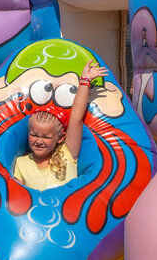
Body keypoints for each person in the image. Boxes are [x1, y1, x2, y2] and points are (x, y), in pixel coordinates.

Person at [11, 61, 108, 191]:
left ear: (61, 137)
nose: (39, 141)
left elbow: (76, 118)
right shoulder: (21, 163)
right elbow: (19, 195)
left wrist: (85, 81)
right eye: (34, 135)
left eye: (46, 137)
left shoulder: (67, 153)